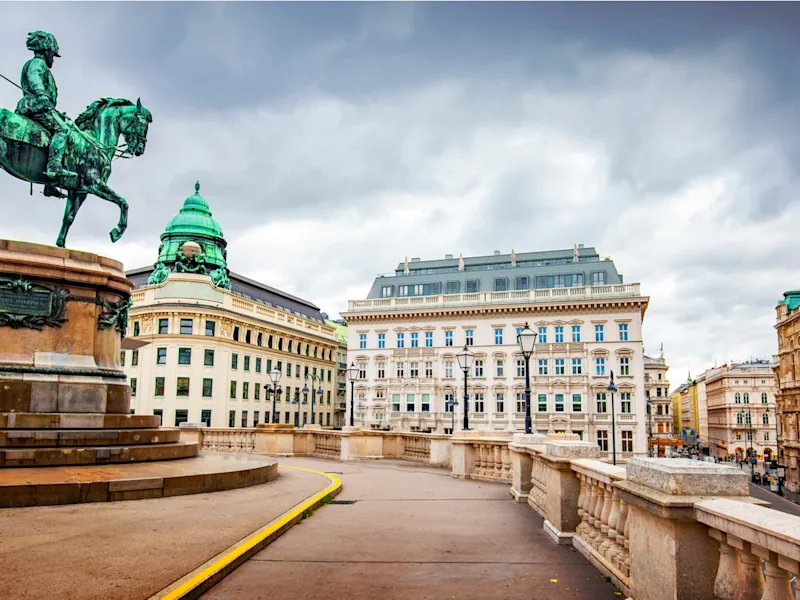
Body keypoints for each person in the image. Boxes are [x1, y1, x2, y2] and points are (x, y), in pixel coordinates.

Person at [15, 30, 76, 197]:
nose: (53, 59)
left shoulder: (37, 64)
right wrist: (41, 94)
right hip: (35, 105)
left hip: (41, 106)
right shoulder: (37, 64)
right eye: (53, 55)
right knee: (62, 130)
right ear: (46, 51)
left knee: (55, 131)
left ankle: (51, 184)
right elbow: (35, 79)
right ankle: (54, 167)